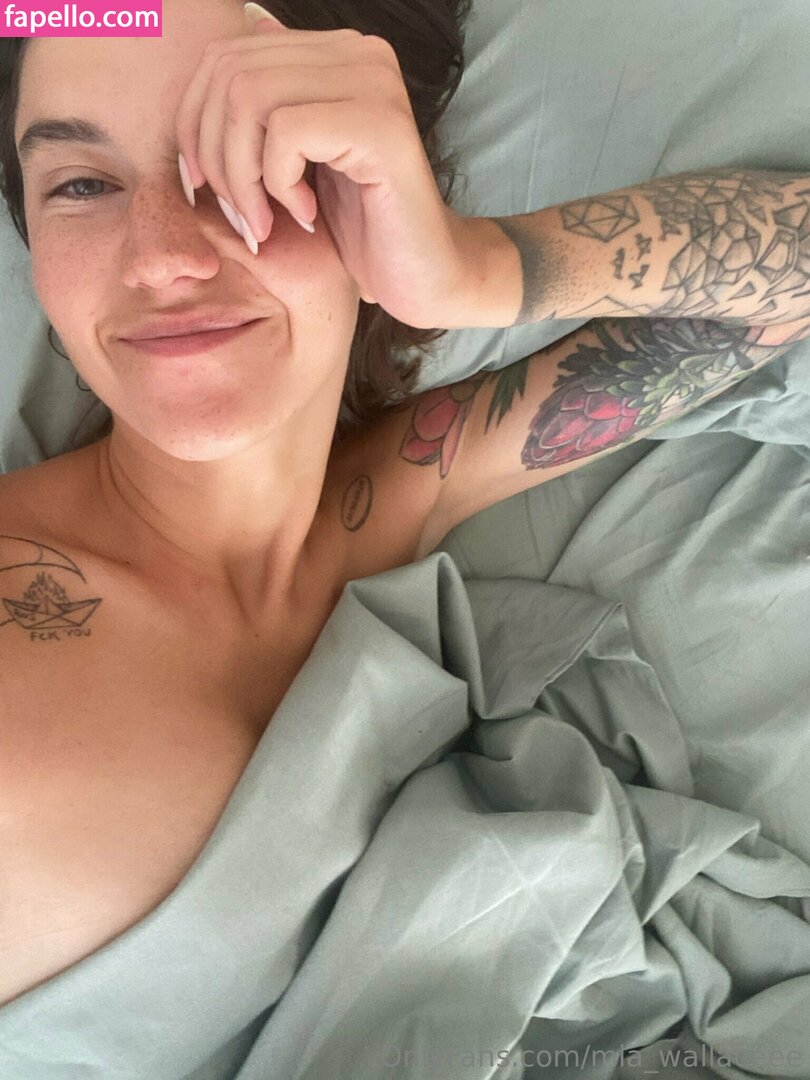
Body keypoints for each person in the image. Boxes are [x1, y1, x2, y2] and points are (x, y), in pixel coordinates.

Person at [0, 0, 808, 1010]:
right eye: (80, 184)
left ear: (369, 184)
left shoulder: (402, 486)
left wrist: (479, 267)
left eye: (240, 163)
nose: (159, 256)